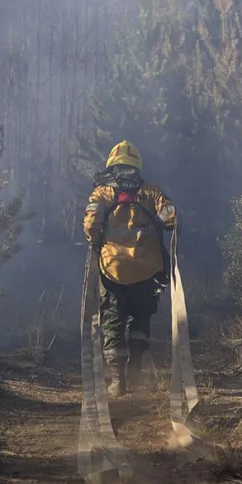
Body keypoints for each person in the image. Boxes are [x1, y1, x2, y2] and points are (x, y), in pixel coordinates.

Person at [83, 141, 176, 398]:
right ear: (137, 166)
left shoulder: (102, 194)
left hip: (112, 270)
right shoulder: (151, 192)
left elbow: (91, 226)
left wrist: (97, 238)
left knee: (113, 321)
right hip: (146, 271)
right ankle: (135, 373)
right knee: (140, 318)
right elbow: (171, 218)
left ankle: (117, 381)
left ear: (112, 167)